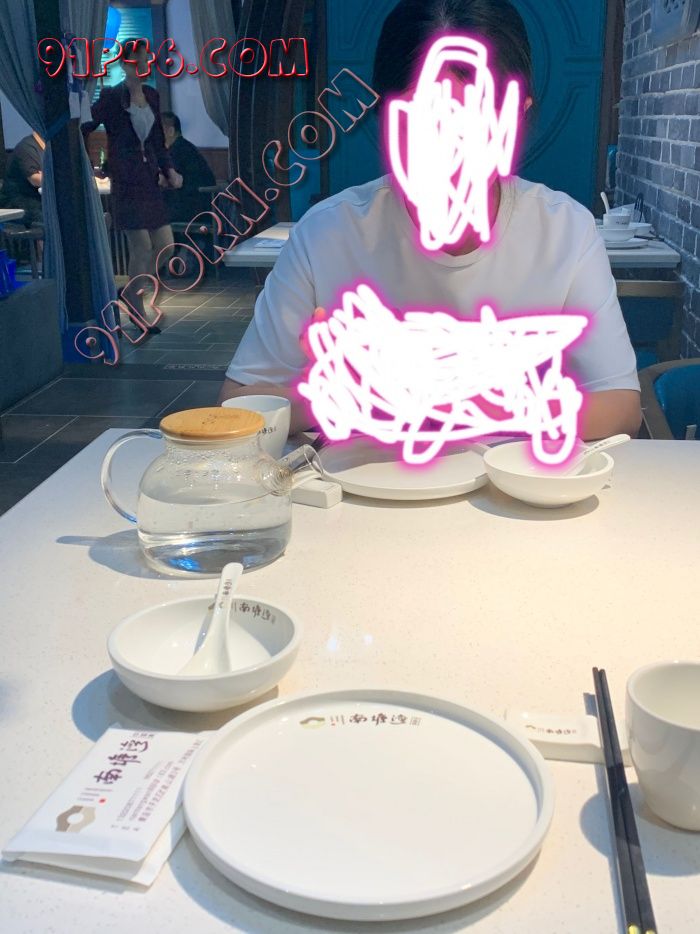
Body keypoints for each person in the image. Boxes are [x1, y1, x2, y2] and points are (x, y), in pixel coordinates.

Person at [219, 0, 642, 441]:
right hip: (361, 480)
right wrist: (345, 391)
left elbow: (620, 405)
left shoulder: (565, 231)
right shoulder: (328, 233)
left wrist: (467, 400)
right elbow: (237, 400)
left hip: (511, 482)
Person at [82, 38, 182, 319]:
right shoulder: (112, 97)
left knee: (166, 246)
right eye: (137, 61)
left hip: (149, 179)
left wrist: (169, 170)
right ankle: (136, 305)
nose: (143, 66)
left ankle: (130, 290)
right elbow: (84, 126)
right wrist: (92, 164)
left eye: (146, 60)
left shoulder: (152, 95)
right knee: (142, 246)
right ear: (125, 65)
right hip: (126, 181)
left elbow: (158, 141)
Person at [160, 111, 216, 222]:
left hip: (193, 208)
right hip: (200, 206)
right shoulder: (184, 146)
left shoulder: (178, 150)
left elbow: (165, 180)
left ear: (170, 131)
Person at [0, 131, 45, 228]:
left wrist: (45, 175)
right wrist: (48, 176)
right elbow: (36, 180)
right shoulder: (26, 148)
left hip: (35, 199)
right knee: (46, 216)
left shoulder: (47, 148)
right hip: (18, 202)